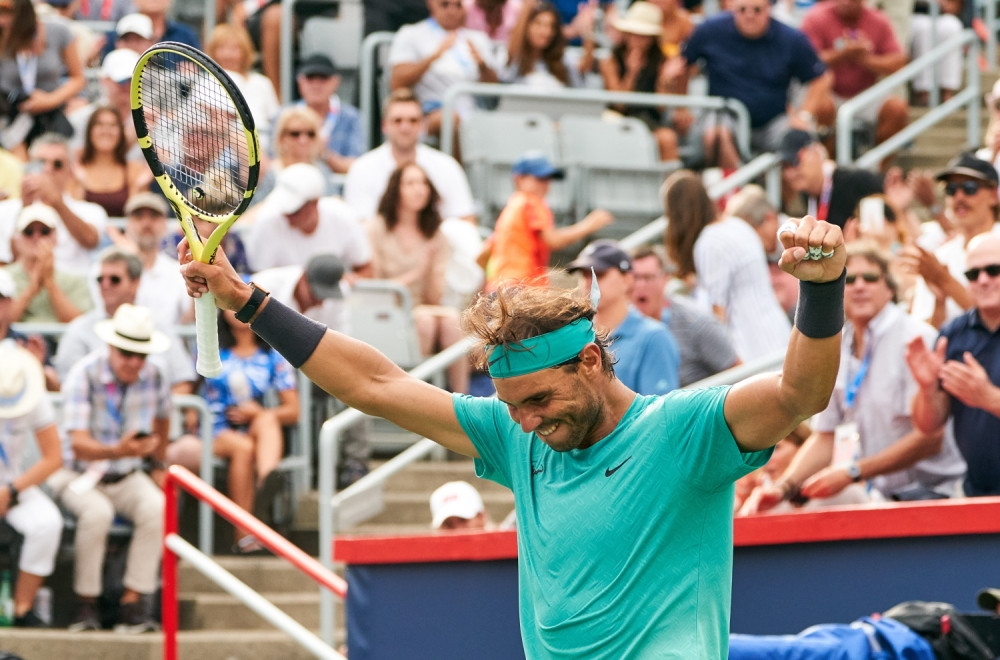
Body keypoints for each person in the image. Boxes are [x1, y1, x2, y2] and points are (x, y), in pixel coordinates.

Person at [178, 208, 848, 658]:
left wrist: (821, 291)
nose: (524, 420)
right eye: (512, 404)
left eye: (538, 399)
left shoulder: (683, 430)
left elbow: (801, 393)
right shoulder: (515, 434)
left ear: (590, 361)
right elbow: (374, 386)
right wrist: (247, 301)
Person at [740, 245, 966, 514]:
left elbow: (930, 438)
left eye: (870, 278)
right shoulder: (838, 344)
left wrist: (853, 472)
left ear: (890, 289)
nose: (859, 286)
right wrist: (783, 487)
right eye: (849, 279)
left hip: (936, 496)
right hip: (880, 498)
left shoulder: (915, 338)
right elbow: (825, 436)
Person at [48, 303, 168, 633]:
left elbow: (163, 417)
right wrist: (120, 449)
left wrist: (157, 461)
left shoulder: (155, 375)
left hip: (126, 474)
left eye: (140, 355)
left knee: (159, 506)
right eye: (126, 352)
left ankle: (134, 602)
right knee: (96, 513)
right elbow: (77, 444)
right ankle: (86, 605)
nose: (133, 362)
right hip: (75, 472)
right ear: (111, 346)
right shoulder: (83, 374)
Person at [678, 0, 831, 169]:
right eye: (742, 9)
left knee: (798, 139)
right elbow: (683, 64)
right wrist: (681, 107)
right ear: (733, 8)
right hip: (727, 114)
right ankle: (738, 191)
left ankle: (785, 194)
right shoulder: (711, 29)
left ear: (769, 9)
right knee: (716, 134)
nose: (749, 15)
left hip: (774, 119)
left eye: (757, 10)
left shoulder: (790, 38)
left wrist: (804, 115)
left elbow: (821, 78)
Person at [662, 170, 791, 362]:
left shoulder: (710, 242)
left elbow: (716, 313)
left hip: (751, 347)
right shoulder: (737, 225)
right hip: (778, 334)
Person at [907, 233, 1000, 497]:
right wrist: (926, 389)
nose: (983, 280)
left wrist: (990, 398)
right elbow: (929, 425)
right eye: (973, 274)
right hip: (977, 493)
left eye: (994, 271)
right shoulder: (954, 334)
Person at [198, 309, 298, 550]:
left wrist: (256, 413)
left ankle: (266, 482)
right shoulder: (209, 348)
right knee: (244, 446)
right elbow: (187, 386)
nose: (236, 309)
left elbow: (294, 410)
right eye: (229, 304)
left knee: (266, 419)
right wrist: (191, 411)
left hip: (252, 425)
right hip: (214, 427)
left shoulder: (272, 355)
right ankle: (243, 534)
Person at [366, 162, 468, 393]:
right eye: (410, 183)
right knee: (425, 320)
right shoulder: (377, 228)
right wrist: (418, 272)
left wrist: (431, 269)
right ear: (396, 189)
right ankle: (415, 397)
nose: (419, 189)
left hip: (423, 308)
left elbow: (434, 297)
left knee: (451, 319)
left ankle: (462, 400)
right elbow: (374, 288)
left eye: (423, 183)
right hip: (385, 311)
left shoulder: (436, 235)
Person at [0, 341, 63, 628]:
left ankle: (23, 609)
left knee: (48, 522)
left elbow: (53, 458)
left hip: (13, 484)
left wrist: (11, 490)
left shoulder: (34, 393)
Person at [343, 88, 477, 223]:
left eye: (413, 120)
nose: (405, 127)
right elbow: (360, 226)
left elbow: (465, 223)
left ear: (423, 125)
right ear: (384, 125)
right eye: (397, 121)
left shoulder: (447, 166)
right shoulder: (363, 168)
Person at [484, 151, 613, 291]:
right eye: (539, 178)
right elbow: (553, 240)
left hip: (498, 287)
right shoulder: (531, 202)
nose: (545, 184)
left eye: (547, 179)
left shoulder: (511, 207)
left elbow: (485, 251)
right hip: (520, 287)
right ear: (519, 179)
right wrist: (588, 225)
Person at [901, 152, 1000, 329]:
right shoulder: (940, 256)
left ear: (993, 195)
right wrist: (939, 303)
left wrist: (944, 280)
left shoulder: (937, 267)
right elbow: (926, 334)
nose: (959, 197)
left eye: (970, 188)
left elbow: (993, 322)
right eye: (951, 189)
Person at [567, 239, 680, 395]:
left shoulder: (654, 337)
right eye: (584, 274)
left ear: (627, 279)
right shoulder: (575, 334)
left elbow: (660, 413)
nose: (588, 281)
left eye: (598, 274)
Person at [801, 0, 909, 153]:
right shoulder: (816, 17)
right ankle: (828, 167)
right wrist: (843, 54)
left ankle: (876, 167)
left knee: (897, 109)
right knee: (822, 106)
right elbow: (806, 60)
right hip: (828, 92)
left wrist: (864, 58)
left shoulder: (878, 19)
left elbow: (898, 62)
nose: (846, 3)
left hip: (865, 95)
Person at [630, 245, 741, 386]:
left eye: (647, 277)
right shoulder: (621, 326)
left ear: (666, 279)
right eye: (634, 278)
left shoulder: (696, 323)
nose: (640, 285)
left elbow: (740, 374)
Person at [0, 133, 108, 277]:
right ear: (29, 165)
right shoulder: (5, 210)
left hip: (71, 290)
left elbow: (90, 240)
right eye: (41, 162)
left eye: (57, 164)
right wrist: (25, 208)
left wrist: (56, 202)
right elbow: (8, 263)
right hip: (20, 290)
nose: (48, 169)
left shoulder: (91, 210)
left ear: (70, 171)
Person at [388, 0, 500, 138]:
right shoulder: (411, 34)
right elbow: (397, 82)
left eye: (458, 5)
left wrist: (482, 66)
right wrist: (433, 57)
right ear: (431, 3)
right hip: (429, 111)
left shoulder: (478, 38)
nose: (452, 11)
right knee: (450, 119)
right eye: (445, 4)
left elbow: (494, 89)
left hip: (474, 111)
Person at [245, 163, 373, 277]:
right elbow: (258, 280)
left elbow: (365, 268)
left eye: (295, 210)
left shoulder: (343, 217)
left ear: (314, 203)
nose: (287, 215)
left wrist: (345, 282)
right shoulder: (266, 221)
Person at [598, 2, 685, 162]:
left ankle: (672, 184)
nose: (637, 39)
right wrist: (632, 73)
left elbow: (661, 106)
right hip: (616, 120)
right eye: (634, 33)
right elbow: (619, 104)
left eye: (643, 35)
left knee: (667, 138)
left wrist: (666, 80)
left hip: (648, 121)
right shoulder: (610, 61)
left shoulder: (661, 61)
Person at [0, 0, 85, 158]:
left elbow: (78, 78)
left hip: (50, 112)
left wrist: (50, 100)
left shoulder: (58, 31)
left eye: (7, 13)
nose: (2, 20)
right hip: (9, 112)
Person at [2, 202, 92, 323]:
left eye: (44, 231)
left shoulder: (74, 280)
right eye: (28, 232)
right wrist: (32, 288)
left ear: (56, 237)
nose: (36, 237)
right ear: (16, 239)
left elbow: (78, 323)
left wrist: (50, 283)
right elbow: (3, 323)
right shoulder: (3, 277)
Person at [780, 128, 885, 230]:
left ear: (815, 152)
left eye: (794, 162)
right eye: (784, 166)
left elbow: (880, 230)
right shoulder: (806, 195)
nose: (790, 173)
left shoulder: (858, 182)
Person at [204, 23, 279, 151]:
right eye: (221, 48)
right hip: (220, 151)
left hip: (264, 148)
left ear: (245, 52)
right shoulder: (205, 82)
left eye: (234, 49)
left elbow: (275, 120)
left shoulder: (262, 83)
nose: (228, 55)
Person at [286, 53, 364, 174]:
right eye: (310, 78)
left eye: (323, 78)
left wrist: (324, 153)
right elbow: (272, 162)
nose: (316, 85)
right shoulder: (284, 115)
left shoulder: (352, 117)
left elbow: (357, 166)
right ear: (300, 81)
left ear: (336, 81)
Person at [71, 106, 152, 217]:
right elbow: (73, 214)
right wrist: (80, 184)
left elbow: (138, 216)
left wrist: (137, 187)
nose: (106, 131)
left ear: (121, 132)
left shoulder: (134, 168)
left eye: (113, 125)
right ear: (90, 131)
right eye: (99, 124)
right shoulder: (76, 169)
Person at [500, 0, 592, 89]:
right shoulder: (515, 60)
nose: (546, 32)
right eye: (539, 24)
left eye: (551, 26)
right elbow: (512, 51)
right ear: (527, 26)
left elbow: (583, 68)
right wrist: (526, 9)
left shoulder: (562, 61)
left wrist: (588, 31)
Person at [910, 0, 964, 107]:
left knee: (952, 26)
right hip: (916, 13)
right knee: (924, 30)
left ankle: (947, 92)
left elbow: (958, 5)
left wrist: (949, 5)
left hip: (941, 15)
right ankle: (924, 92)